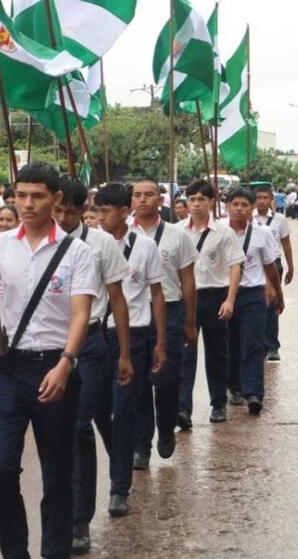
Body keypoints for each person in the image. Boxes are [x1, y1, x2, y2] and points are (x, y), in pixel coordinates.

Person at [0, 162, 96, 559]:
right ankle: (15, 552)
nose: (27, 204)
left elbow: (81, 313)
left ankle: (55, 551)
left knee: (57, 472)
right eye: (20, 195)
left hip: (55, 367)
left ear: (56, 199)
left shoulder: (77, 252)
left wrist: (66, 362)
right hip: (8, 369)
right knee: (2, 468)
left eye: (37, 196)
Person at [52, 176, 132, 554]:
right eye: (59, 208)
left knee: (81, 426)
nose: (64, 216)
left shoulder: (101, 244)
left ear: (86, 208)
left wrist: (125, 353)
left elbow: (118, 300)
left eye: (72, 208)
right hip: (49, 345)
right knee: (59, 429)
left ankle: (80, 518)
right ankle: (60, 509)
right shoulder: (40, 241)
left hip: (93, 345)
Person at [94, 183, 167, 520]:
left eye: (106, 211)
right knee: (97, 413)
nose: (100, 217)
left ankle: (118, 489)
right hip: (95, 339)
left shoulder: (145, 246)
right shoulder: (87, 245)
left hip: (133, 338)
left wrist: (160, 341)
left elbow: (156, 294)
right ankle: (120, 457)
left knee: (123, 412)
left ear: (125, 212)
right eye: (96, 211)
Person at [129, 179, 197, 471]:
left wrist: (190, 322)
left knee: (167, 378)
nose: (142, 200)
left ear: (161, 199)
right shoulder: (119, 235)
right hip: (132, 313)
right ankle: (141, 444)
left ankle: (166, 425)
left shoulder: (177, 235)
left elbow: (188, 280)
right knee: (138, 382)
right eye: (137, 195)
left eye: (149, 194)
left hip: (169, 310)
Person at [177, 179, 245, 426]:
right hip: (186, 299)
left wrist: (230, 299)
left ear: (212, 202)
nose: (196, 204)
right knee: (185, 354)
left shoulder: (223, 232)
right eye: (192, 199)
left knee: (217, 354)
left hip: (214, 296)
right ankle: (183, 408)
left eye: (201, 200)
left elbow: (235, 265)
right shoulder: (177, 231)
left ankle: (218, 404)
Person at [224, 188, 283, 415]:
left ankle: (254, 393)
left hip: (253, 295)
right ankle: (235, 387)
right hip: (225, 296)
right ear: (227, 206)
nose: (240, 208)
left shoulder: (263, 233)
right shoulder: (219, 232)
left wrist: (278, 293)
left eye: (244, 205)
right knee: (230, 344)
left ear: (252, 209)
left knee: (253, 344)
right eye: (235, 204)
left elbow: (270, 266)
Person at [253, 185, 294, 361]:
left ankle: (272, 346)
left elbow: (286, 243)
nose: (262, 201)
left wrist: (291, 267)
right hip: (253, 265)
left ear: (271, 200)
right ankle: (258, 345)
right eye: (259, 197)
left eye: (265, 198)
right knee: (256, 305)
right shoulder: (249, 218)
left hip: (273, 265)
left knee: (272, 305)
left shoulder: (280, 219)